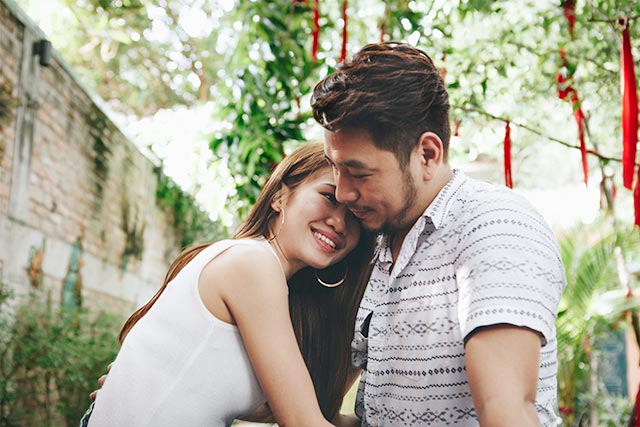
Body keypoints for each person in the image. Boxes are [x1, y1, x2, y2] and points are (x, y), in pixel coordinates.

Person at [310, 42, 566, 427]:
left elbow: (505, 409)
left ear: (427, 154)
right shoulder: (378, 239)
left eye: (359, 173)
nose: (343, 193)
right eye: (335, 167)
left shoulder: (494, 224)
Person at [83, 142, 376, 427]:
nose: (339, 222)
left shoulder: (273, 286)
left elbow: (297, 411)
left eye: (354, 214)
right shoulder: (252, 264)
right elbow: (301, 421)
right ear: (280, 197)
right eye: (329, 197)